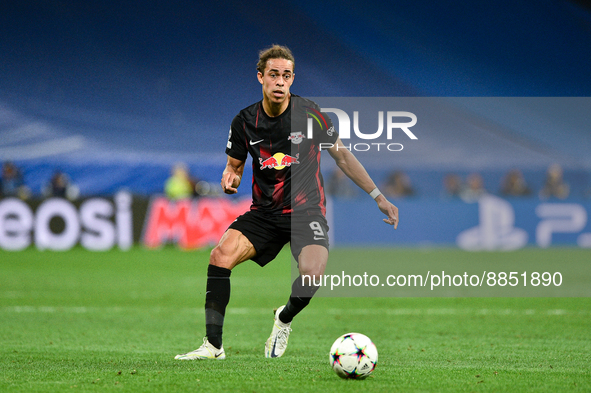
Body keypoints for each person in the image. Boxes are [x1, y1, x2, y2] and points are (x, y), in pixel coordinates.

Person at [175, 45, 398, 360]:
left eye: (287, 76)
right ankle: (213, 347)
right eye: (273, 75)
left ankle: (284, 318)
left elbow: (344, 157)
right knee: (220, 255)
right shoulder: (244, 121)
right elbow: (234, 167)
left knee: (311, 276)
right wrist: (230, 178)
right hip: (264, 214)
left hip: (307, 213)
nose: (280, 82)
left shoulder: (310, 114)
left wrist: (379, 197)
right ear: (260, 77)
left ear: (292, 79)